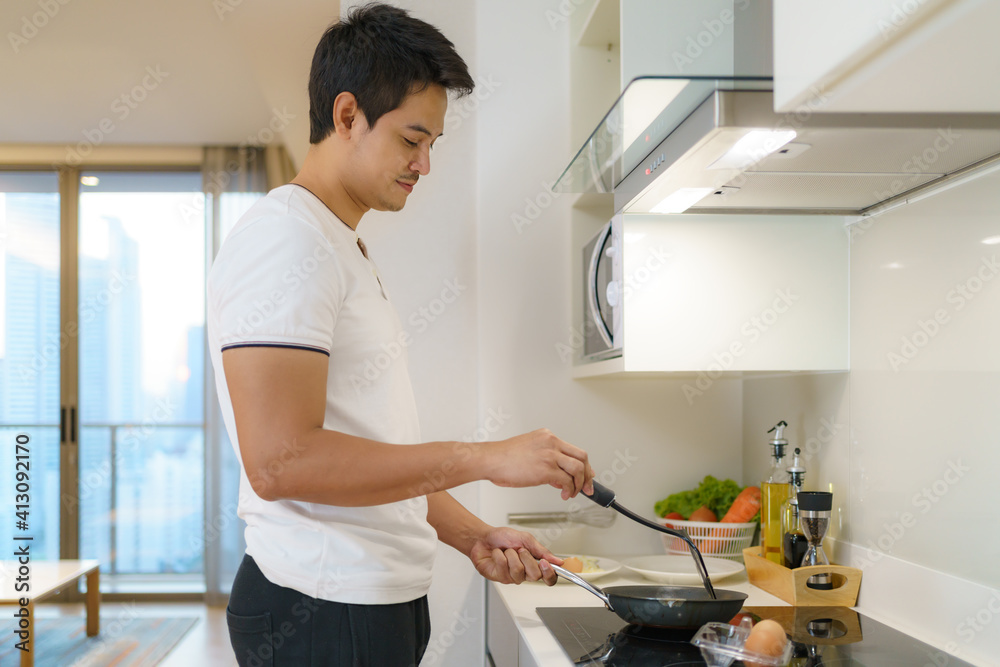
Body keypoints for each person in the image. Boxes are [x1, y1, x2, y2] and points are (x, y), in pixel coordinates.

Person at [206, 4, 595, 665]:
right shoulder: (287, 241)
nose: (425, 163)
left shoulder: (338, 245)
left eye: (433, 144)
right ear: (347, 115)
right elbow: (279, 462)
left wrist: (473, 536)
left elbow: (367, 454)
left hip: (362, 607)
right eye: (412, 139)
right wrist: (487, 455)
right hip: (319, 611)